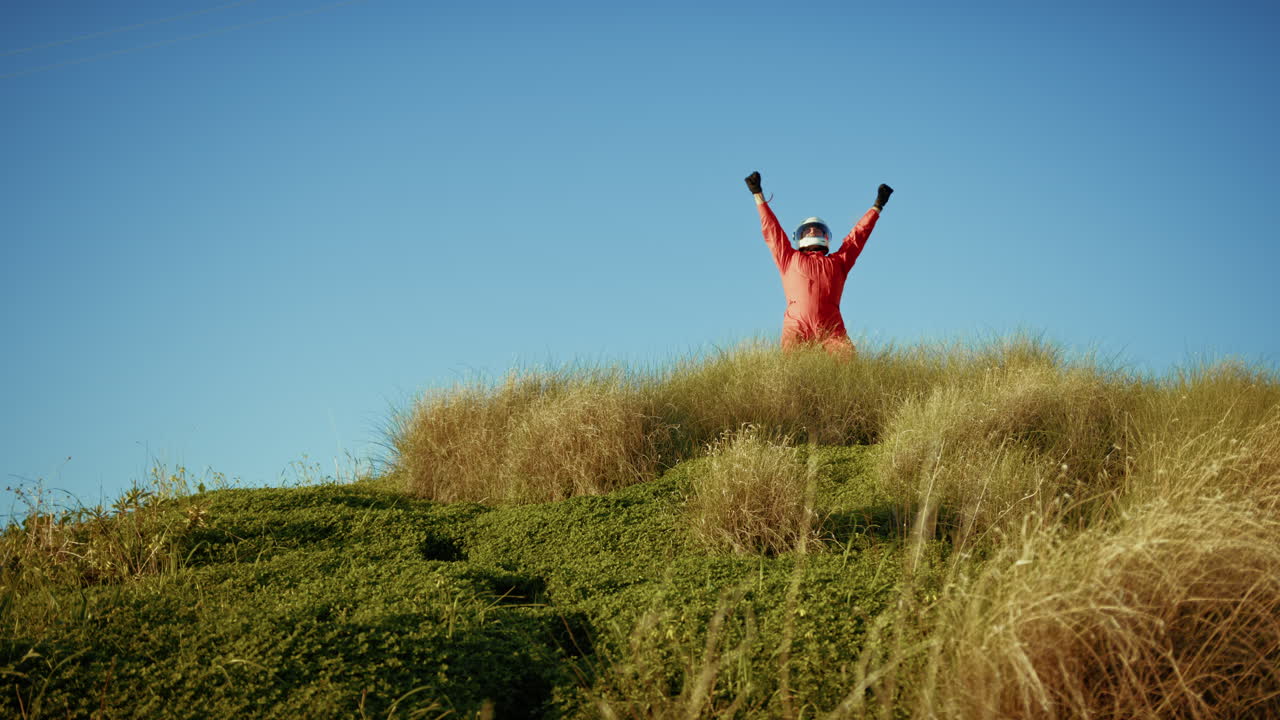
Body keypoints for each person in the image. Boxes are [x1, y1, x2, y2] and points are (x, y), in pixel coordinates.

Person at [744, 170, 893, 357]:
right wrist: (758, 195)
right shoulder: (788, 258)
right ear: (799, 237)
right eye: (808, 229)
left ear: (826, 237)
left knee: (851, 370)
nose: (813, 230)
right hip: (796, 326)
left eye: (818, 229)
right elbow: (771, 230)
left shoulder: (839, 262)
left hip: (831, 328)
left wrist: (877, 207)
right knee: (791, 372)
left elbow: (858, 237)